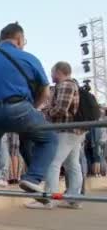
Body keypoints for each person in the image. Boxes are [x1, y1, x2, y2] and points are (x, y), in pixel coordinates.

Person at [0, 22, 56, 198]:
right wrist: (32, 109)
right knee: (49, 138)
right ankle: (33, 178)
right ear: (19, 39)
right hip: (17, 108)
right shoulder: (27, 57)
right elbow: (45, 91)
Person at [26, 62, 86, 209]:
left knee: (53, 162)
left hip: (65, 130)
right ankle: (73, 198)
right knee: (72, 165)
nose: (51, 75)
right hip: (75, 131)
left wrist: (44, 113)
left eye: (52, 72)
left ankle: (49, 199)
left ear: (59, 72)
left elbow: (61, 110)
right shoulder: (73, 85)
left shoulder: (65, 85)